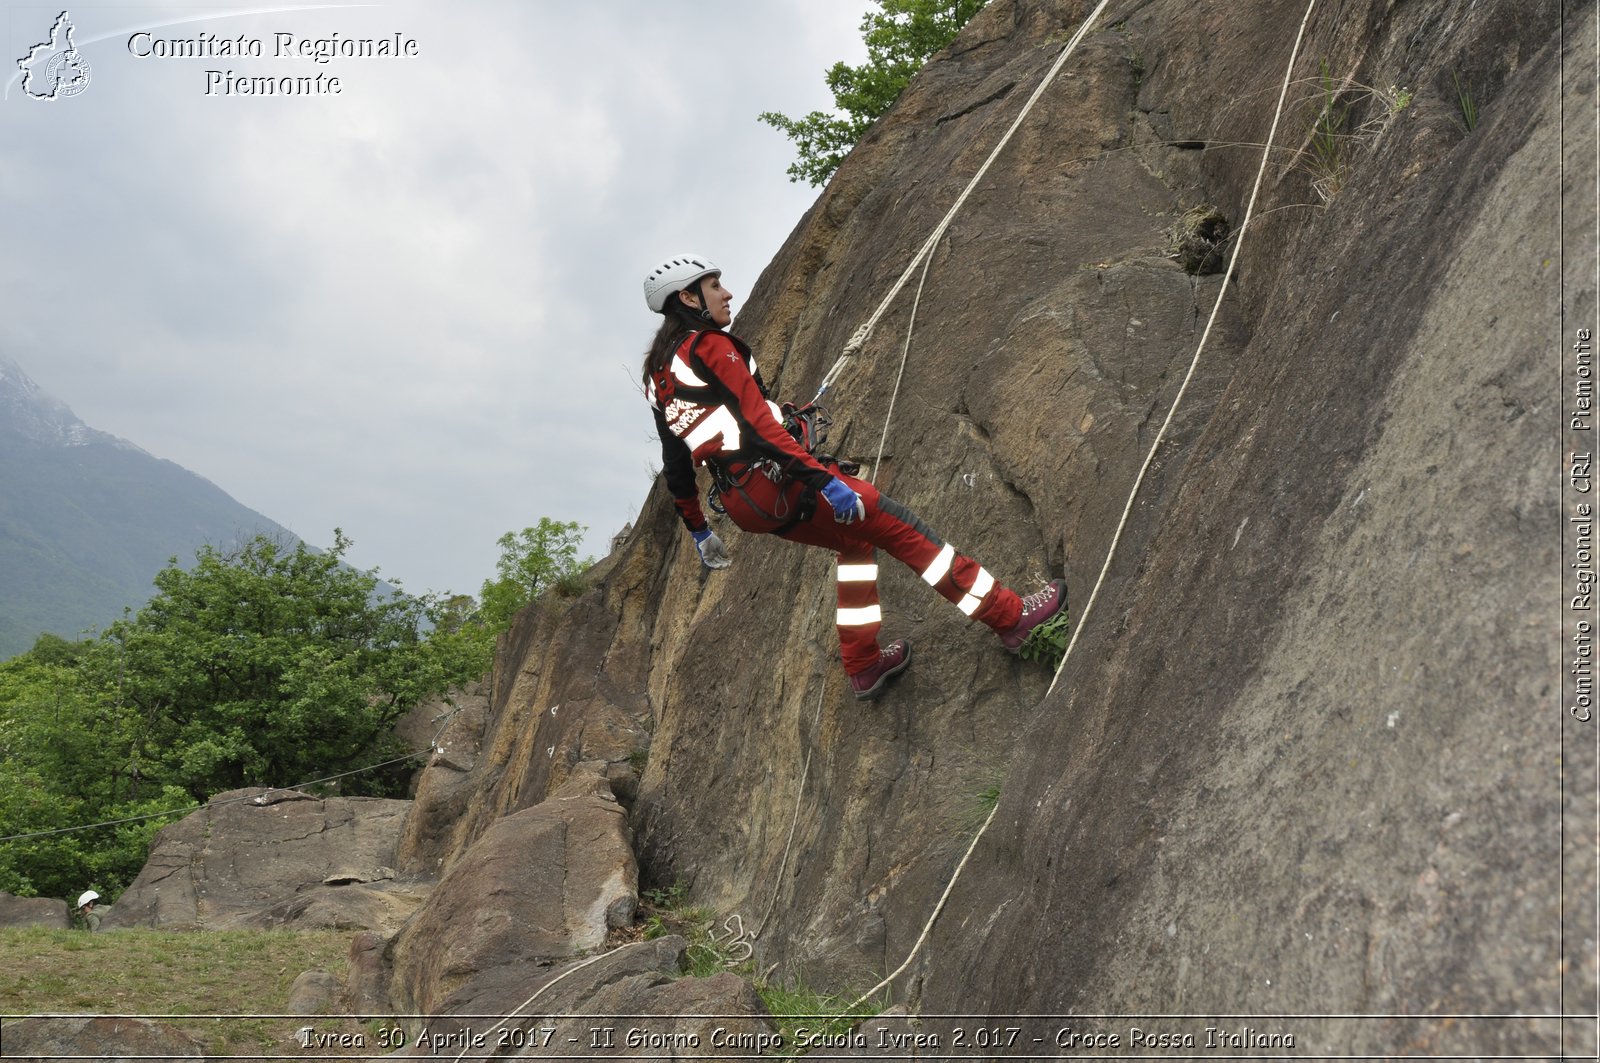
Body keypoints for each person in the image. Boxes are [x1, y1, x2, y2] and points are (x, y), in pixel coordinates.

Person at [641, 253, 1067, 699]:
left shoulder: (659, 376)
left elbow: (677, 463)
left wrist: (698, 529)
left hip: (745, 504)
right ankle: (1010, 617)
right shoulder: (709, 345)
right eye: (714, 287)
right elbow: (758, 427)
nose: (727, 293)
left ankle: (863, 664)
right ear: (689, 298)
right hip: (779, 482)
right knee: (902, 529)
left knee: (855, 543)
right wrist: (824, 481)